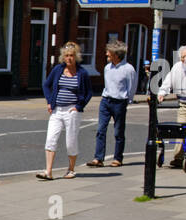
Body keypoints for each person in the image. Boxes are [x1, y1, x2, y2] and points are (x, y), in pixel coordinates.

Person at [37, 41, 92, 180]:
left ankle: (71, 169)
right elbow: (46, 85)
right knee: (51, 139)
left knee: (71, 141)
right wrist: (49, 101)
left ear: (76, 57)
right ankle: (48, 172)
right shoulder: (57, 70)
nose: (69, 58)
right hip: (57, 110)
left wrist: (79, 107)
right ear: (63, 57)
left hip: (72, 111)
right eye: (66, 55)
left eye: (72, 55)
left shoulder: (82, 73)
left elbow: (88, 93)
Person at [86, 40, 137, 168]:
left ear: (116, 54)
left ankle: (118, 158)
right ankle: (98, 158)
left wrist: (127, 100)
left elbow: (132, 87)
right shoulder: (107, 68)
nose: (106, 54)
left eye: (109, 52)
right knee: (100, 130)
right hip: (105, 101)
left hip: (119, 102)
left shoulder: (128, 69)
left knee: (118, 132)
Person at [156, 44, 186, 168]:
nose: (185, 59)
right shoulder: (177, 67)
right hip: (184, 103)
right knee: (181, 131)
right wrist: (161, 94)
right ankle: (178, 158)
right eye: (182, 57)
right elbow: (167, 82)